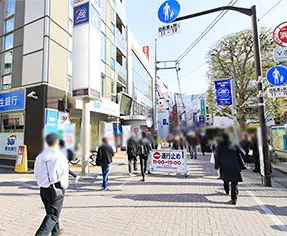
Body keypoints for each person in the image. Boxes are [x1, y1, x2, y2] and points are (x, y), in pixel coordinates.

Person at [34, 133, 69, 236]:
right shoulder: (60, 157)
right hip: (56, 189)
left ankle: (56, 232)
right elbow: (63, 176)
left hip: (43, 189)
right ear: (57, 142)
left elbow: (36, 174)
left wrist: (42, 182)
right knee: (53, 215)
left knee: (50, 212)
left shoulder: (39, 157)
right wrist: (64, 186)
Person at [214, 133, 246, 205]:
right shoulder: (234, 144)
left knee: (226, 179)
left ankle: (227, 190)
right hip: (234, 164)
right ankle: (234, 198)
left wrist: (217, 165)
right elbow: (242, 152)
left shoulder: (219, 145)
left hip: (224, 165)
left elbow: (217, 156)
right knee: (234, 182)